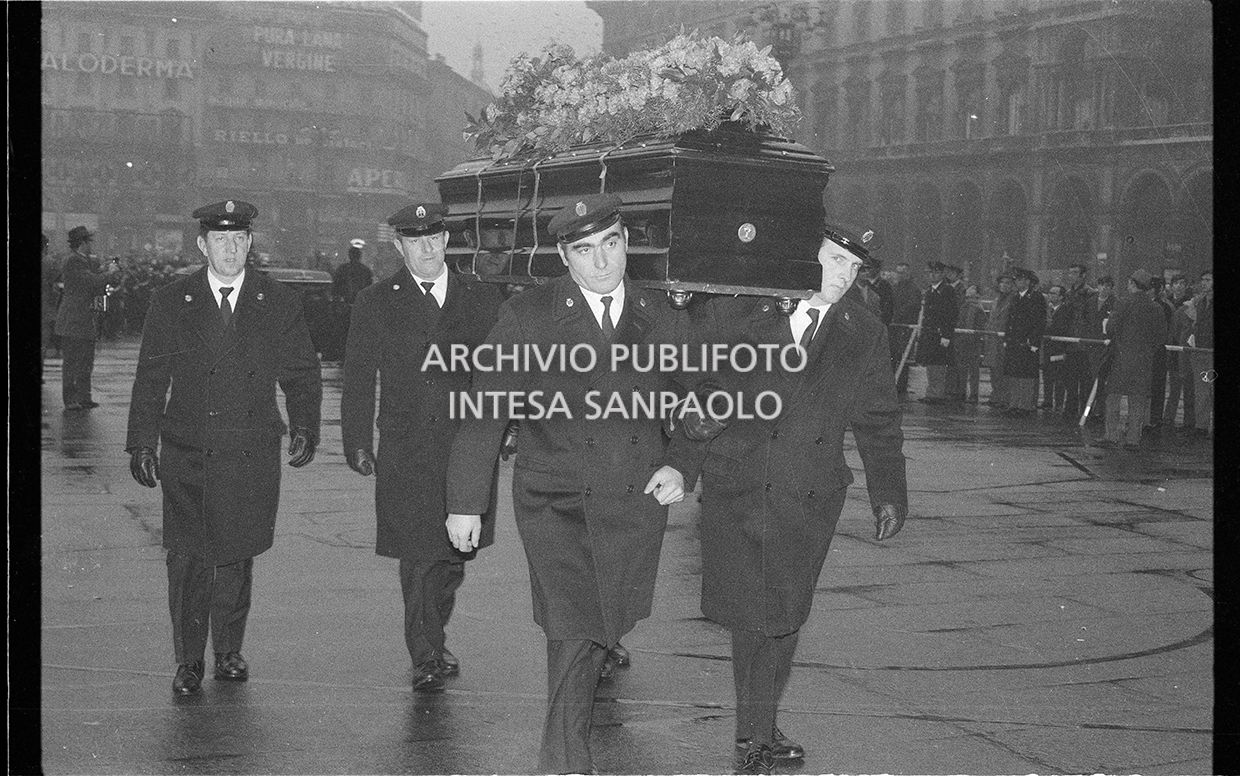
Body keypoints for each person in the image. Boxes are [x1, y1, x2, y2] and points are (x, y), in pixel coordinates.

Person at [444, 193, 700, 774]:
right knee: (573, 626)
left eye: (610, 244)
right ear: (564, 255)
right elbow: (485, 411)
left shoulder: (662, 314)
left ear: (627, 243)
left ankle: (565, 752)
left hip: (635, 497)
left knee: (602, 626)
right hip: (555, 499)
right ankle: (562, 761)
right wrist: (465, 503)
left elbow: (698, 398)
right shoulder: (529, 316)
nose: (601, 262)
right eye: (584, 250)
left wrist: (681, 461)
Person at [669, 223, 907, 775]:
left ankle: (761, 720)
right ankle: (753, 734)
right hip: (740, 485)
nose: (844, 277)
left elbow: (877, 419)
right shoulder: (743, 316)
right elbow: (696, 388)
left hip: (809, 492)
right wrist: (682, 461)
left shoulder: (863, 331)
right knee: (754, 614)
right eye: (833, 261)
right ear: (805, 259)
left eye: (853, 268)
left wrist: (888, 490)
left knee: (785, 614)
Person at [125, 200, 322, 696]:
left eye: (239, 239)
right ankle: (189, 659)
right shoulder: (172, 300)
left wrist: (305, 426)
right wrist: (141, 442)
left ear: (250, 243)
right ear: (202, 244)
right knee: (188, 559)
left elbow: (301, 373)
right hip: (189, 448)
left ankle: (229, 649)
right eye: (219, 239)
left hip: (250, 448)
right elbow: (151, 377)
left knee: (237, 553)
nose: (230, 248)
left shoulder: (276, 300)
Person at [340, 203, 504, 693]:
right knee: (419, 556)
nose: (428, 248)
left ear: (446, 241)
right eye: (416, 241)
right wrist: (356, 441)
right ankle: (426, 651)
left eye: (434, 238)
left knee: (455, 557)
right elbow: (357, 377)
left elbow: (503, 369)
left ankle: (435, 633)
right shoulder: (376, 300)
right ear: (400, 246)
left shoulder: (481, 296)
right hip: (407, 447)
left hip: (467, 447)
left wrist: (509, 426)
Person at [1098, 269, 1168, 448]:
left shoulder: (1123, 302)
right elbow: (1161, 336)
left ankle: (1111, 435)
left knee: (1113, 397)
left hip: (1121, 358)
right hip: (1144, 361)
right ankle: (1133, 439)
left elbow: (1111, 328)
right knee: (1137, 400)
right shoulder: (1155, 307)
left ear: (1132, 283)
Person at [55, 225, 121, 410]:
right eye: (89, 241)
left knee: (86, 361)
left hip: (86, 320)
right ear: (82, 243)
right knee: (73, 362)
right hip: (74, 319)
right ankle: (71, 400)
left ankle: (84, 397)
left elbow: (99, 287)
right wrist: (110, 272)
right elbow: (90, 282)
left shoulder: (86, 261)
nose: (91, 245)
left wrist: (111, 275)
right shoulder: (73, 261)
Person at [1003, 269, 1045, 416]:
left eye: (1021, 280)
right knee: (1014, 373)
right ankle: (1014, 403)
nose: (1018, 283)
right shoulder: (1015, 297)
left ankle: (1025, 405)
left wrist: (1033, 342)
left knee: (1026, 375)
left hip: (1027, 342)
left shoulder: (1036, 297)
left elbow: (1039, 322)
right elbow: (1010, 321)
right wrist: (1007, 339)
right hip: (1015, 341)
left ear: (1028, 281)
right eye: (1017, 280)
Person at [916, 261, 957, 403]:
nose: (932, 276)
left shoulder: (947, 290)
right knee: (931, 364)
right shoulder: (930, 291)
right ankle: (932, 392)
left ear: (941, 274)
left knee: (939, 365)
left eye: (935, 273)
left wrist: (946, 335)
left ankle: (937, 393)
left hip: (940, 334)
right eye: (929, 273)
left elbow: (951, 314)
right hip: (930, 333)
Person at [1062, 263, 1096, 419]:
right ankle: (1070, 409)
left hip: (1084, 343)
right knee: (1070, 379)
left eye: (1075, 273)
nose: (1072, 275)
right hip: (1070, 342)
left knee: (1085, 381)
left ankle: (1085, 411)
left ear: (1083, 275)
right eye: (1071, 273)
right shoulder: (1068, 293)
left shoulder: (1090, 294)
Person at [1163, 275, 1196, 432]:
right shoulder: (1166, 302)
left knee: (1189, 388)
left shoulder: (1191, 304)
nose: (1179, 286)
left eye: (1182, 283)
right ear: (1171, 285)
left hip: (1185, 350)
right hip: (1173, 350)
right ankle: (1168, 418)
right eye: (1176, 283)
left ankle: (1189, 421)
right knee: (1174, 388)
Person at [1082, 276, 1117, 424]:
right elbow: (1084, 321)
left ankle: (1099, 411)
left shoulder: (1116, 303)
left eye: (1108, 286)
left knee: (1102, 381)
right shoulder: (1089, 302)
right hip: (1091, 346)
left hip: (1105, 347)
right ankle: (1087, 411)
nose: (1104, 289)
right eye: (1102, 285)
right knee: (1089, 380)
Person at [1145, 276, 1175, 430]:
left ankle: (1155, 417)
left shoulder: (1165, 307)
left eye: (1151, 288)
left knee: (1157, 385)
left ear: (1160, 289)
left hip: (1158, 351)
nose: (1148, 291)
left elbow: (1165, 331)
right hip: (1145, 351)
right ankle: (1145, 417)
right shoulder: (1144, 304)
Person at [1186, 270, 1213, 438]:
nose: (1204, 283)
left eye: (1208, 280)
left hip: (1211, 351)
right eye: (1202, 279)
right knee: (1201, 390)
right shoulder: (1201, 302)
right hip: (1200, 351)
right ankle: (1201, 425)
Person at [889, 261, 921, 397]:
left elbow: (912, 306)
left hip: (905, 328)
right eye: (898, 272)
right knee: (892, 357)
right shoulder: (894, 287)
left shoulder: (913, 289)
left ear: (908, 273)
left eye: (903, 272)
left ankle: (900, 386)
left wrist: (896, 315)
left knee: (903, 357)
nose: (900, 275)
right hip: (895, 327)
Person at [984, 273, 1015, 408]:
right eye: (1002, 283)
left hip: (1004, 339)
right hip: (993, 339)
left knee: (1004, 369)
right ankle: (996, 395)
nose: (1004, 285)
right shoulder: (997, 299)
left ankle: (1005, 397)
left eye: (1008, 283)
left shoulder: (1013, 299)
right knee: (994, 369)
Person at [956, 284, 988, 403]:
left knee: (968, 369)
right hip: (969, 341)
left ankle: (966, 393)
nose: (970, 300)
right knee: (970, 369)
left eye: (971, 297)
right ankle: (970, 393)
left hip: (970, 342)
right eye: (968, 297)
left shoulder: (971, 308)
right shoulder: (976, 309)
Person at [1042, 285, 1071, 414]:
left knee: (1059, 377)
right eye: (1050, 293)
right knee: (1047, 375)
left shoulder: (1065, 310)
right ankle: (1047, 401)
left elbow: (1062, 328)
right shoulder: (1046, 309)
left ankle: (1058, 403)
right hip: (1047, 348)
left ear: (1061, 296)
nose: (1051, 295)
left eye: (1054, 293)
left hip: (1059, 349)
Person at [333, 238, 374, 305]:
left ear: (349, 255)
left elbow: (336, 287)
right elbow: (369, 286)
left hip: (346, 303)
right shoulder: (365, 270)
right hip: (360, 303)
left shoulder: (342, 269)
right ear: (360, 256)